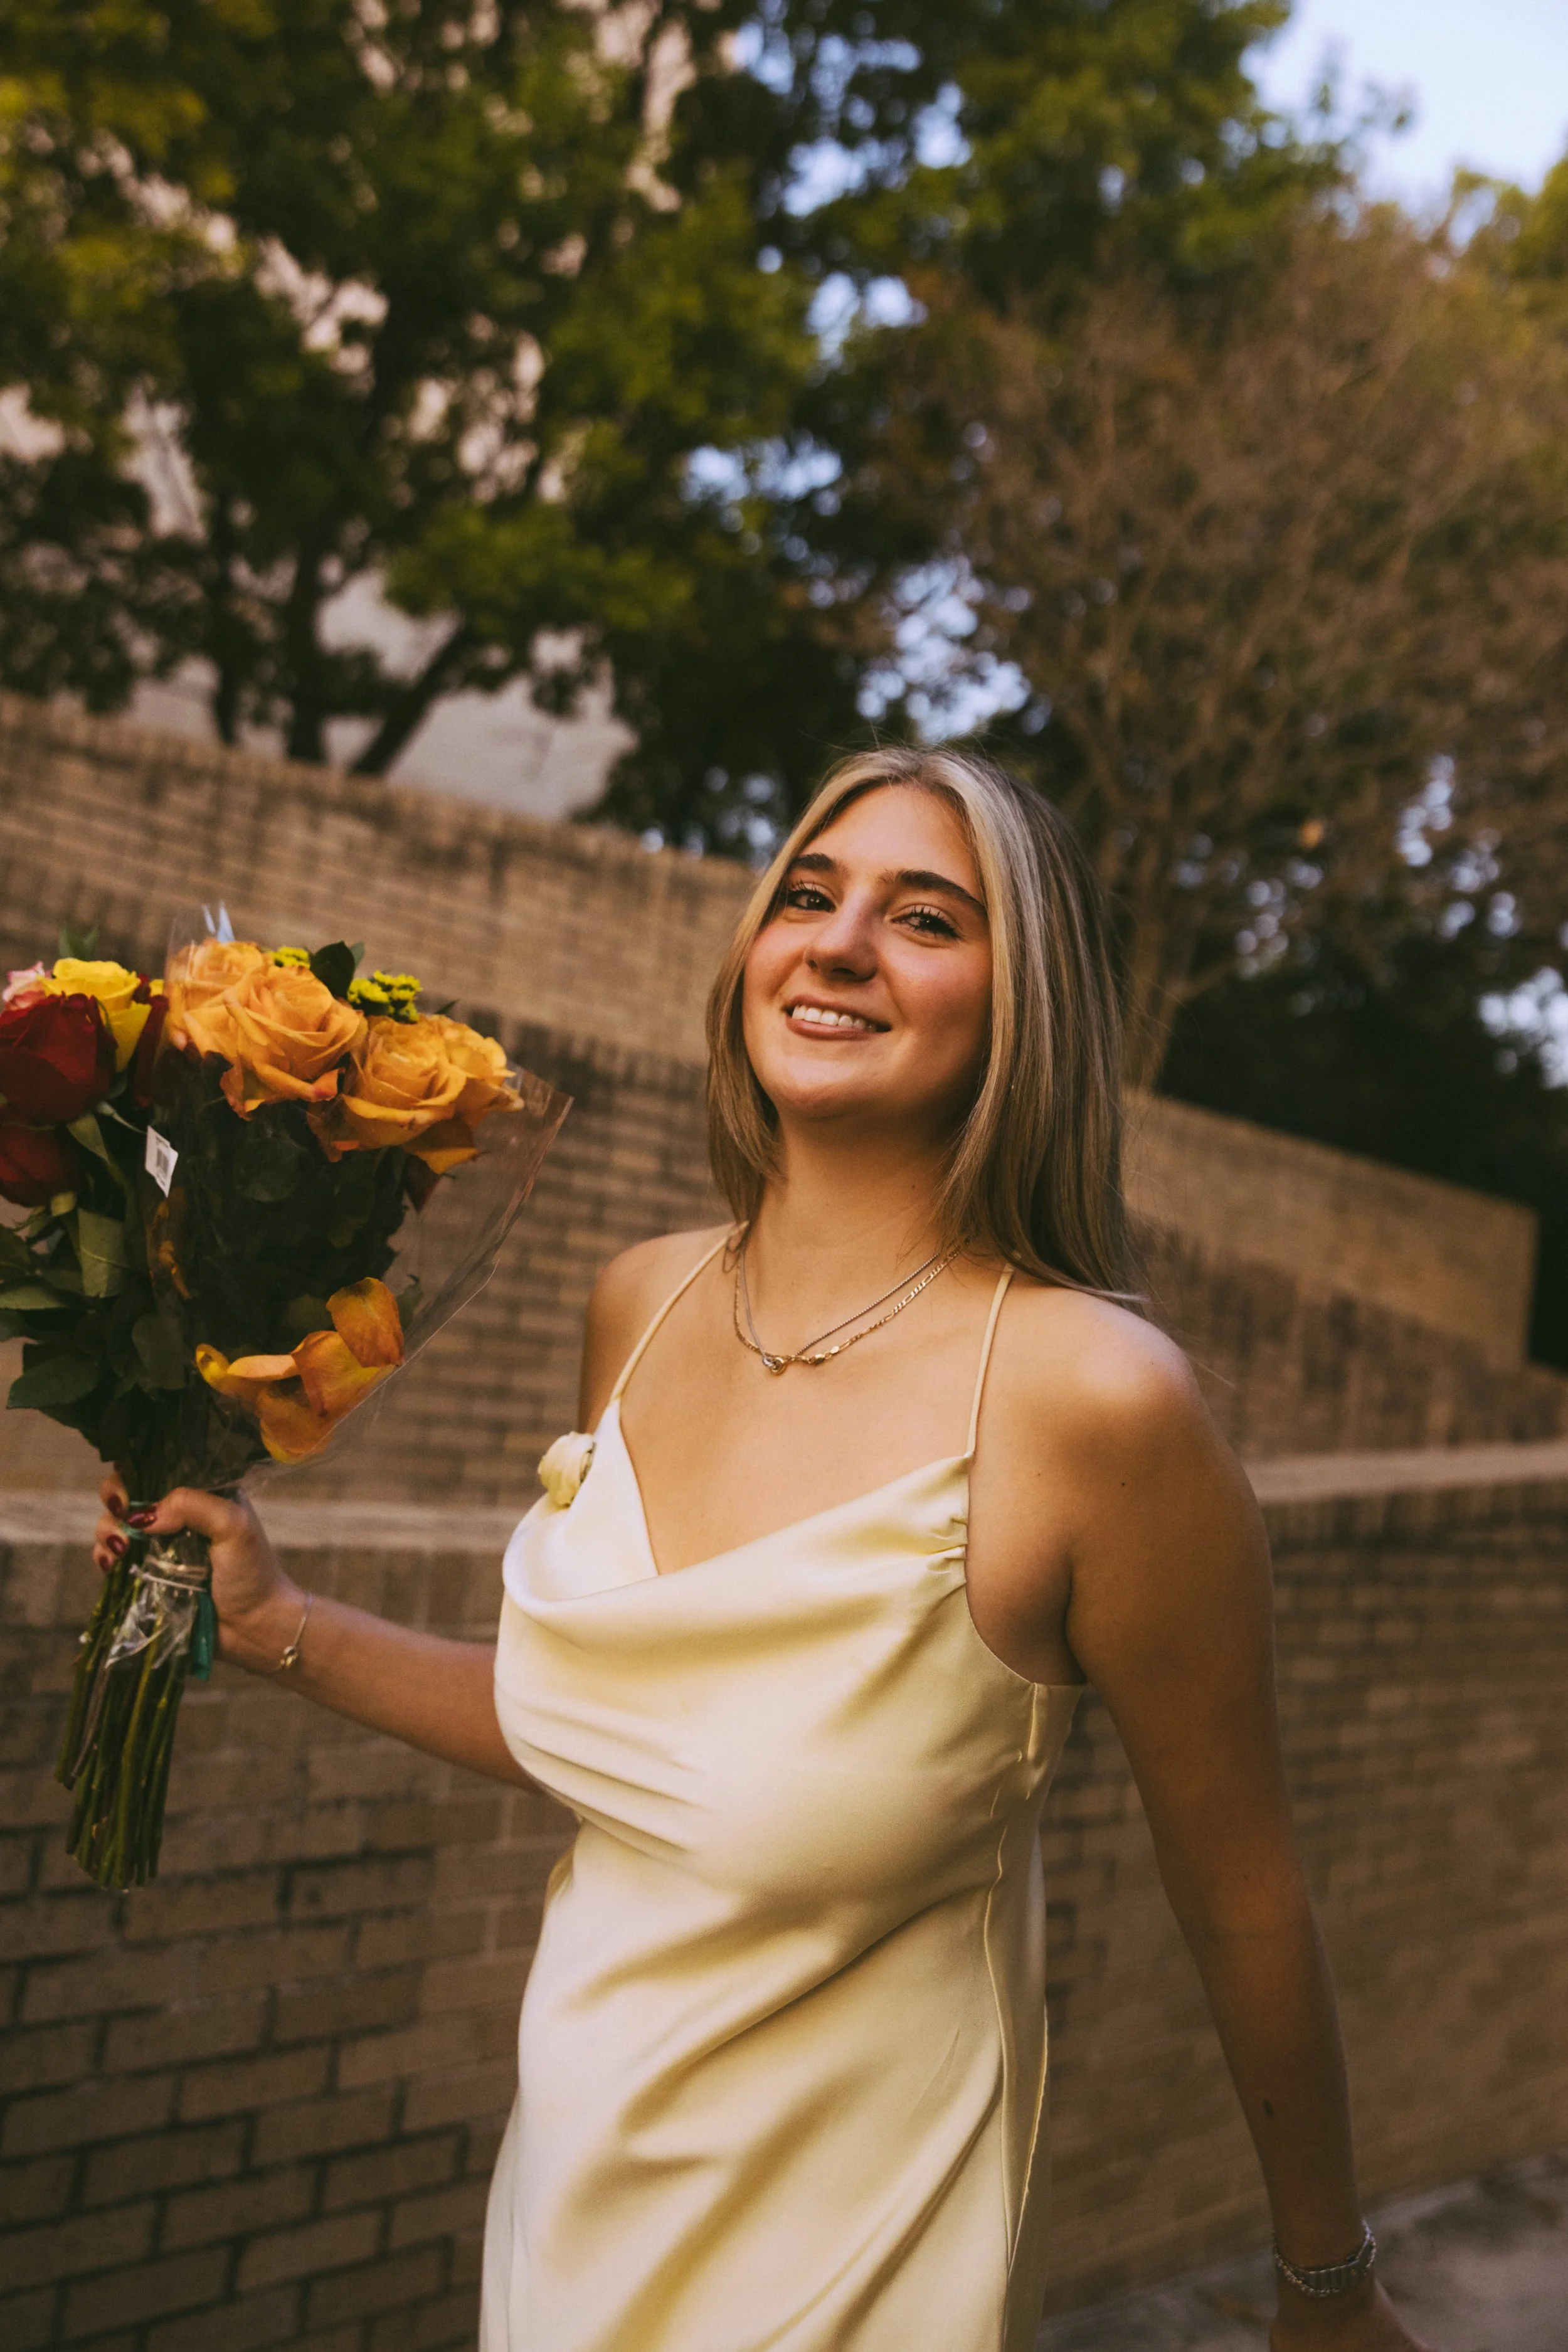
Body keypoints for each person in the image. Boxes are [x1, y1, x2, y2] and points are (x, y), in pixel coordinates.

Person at [97, 748, 1436, 2352]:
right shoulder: (638, 1302)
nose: (838, 942)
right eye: (806, 895)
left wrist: (1323, 2290)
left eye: (925, 917)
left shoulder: (1092, 1400)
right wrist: (281, 1621)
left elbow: (1240, 1889)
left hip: (850, 2259)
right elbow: (623, 1743)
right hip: (573, 2198)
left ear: (1027, 1008)